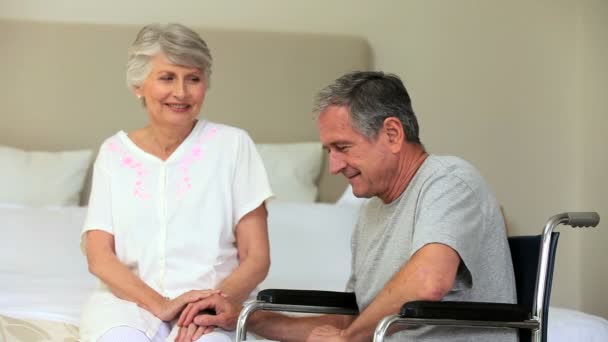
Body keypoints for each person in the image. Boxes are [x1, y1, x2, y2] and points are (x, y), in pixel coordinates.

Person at [177, 71, 517, 342]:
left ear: (393, 134)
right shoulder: (370, 212)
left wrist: (350, 338)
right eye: (329, 152)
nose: (336, 167)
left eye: (343, 147)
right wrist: (244, 317)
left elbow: (429, 281)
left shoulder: (449, 180)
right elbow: (349, 320)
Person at [79, 23, 273, 342]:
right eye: (167, 77)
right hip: (128, 303)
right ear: (139, 85)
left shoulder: (234, 145)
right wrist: (162, 305)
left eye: (193, 79)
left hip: (214, 303)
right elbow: (99, 255)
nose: (181, 93)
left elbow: (256, 257)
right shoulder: (113, 153)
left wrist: (209, 305)